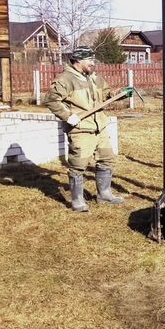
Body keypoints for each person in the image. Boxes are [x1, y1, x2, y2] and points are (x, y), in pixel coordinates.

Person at [45, 46, 126, 212]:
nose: (93, 63)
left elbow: (107, 93)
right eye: (89, 59)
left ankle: (104, 194)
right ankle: (77, 201)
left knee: (107, 159)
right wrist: (68, 116)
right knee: (78, 165)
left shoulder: (94, 77)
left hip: (100, 127)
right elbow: (52, 100)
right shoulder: (65, 79)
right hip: (81, 129)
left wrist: (119, 93)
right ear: (78, 60)